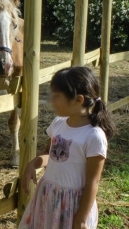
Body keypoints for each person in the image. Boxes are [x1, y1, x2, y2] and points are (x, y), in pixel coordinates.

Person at [19, 66, 116, 229]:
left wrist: (81, 219)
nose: (51, 101)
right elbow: (50, 154)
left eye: (57, 96)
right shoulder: (58, 123)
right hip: (48, 197)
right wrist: (34, 163)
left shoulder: (94, 136)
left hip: (73, 206)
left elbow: (93, 181)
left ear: (78, 100)